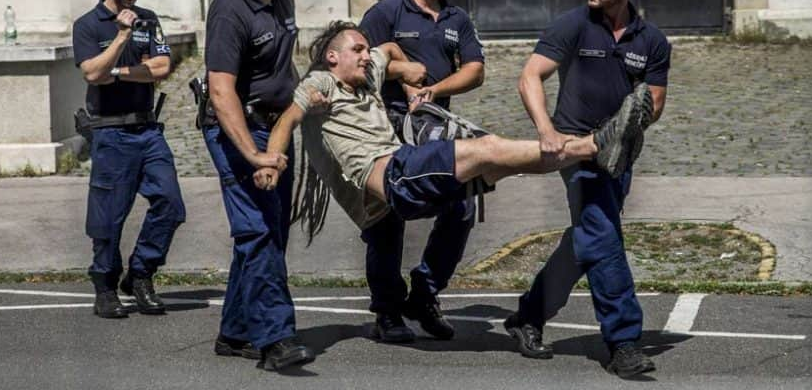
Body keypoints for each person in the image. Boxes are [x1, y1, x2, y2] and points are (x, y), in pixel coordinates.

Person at [251, 24, 651, 324]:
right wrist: (270, 159)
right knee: (489, 149)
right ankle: (596, 145)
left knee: (499, 164)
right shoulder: (321, 83)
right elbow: (288, 119)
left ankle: (590, 154)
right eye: (356, 50)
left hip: (406, 176)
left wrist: (406, 70)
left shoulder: (367, 75)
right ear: (333, 58)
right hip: (392, 175)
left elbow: (387, 50)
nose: (365, 55)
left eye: (364, 49)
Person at [503, 0, 670, 379]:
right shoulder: (573, 25)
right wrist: (546, 132)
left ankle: (527, 317)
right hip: (574, 151)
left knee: (585, 241)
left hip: (619, 155)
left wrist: (626, 129)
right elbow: (530, 76)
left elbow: (655, 100)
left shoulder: (651, 41)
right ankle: (624, 341)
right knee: (602, 234)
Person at [357, 0, 485, 343]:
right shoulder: (385, 13)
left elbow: (475, 69)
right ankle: (388, 312)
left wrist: (434, 91)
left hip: (436, 127)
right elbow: (361, 67)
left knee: (461, 208)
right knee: (386, 221)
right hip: (388, 128)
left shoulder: (456, 19)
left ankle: (425, 293)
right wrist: (403, 76)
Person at [201, 0, 314, 371]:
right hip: (238, 132)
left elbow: (284, 62)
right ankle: (276, 339)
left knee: (271, 231)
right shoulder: (230, 10)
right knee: (259, 232)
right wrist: (252, 152)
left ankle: (236, 331)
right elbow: (220, 89)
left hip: (275, 128)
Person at [72, 0, 186, 319]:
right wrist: (121, 39)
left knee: (170, 204)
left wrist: (119, 72)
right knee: (108, 218)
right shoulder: (88, 25)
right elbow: (90, 73)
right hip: (109, 132)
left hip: (147, 129)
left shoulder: (148, 19)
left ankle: (140, 274)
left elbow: (163, 66)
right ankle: (105, 285)